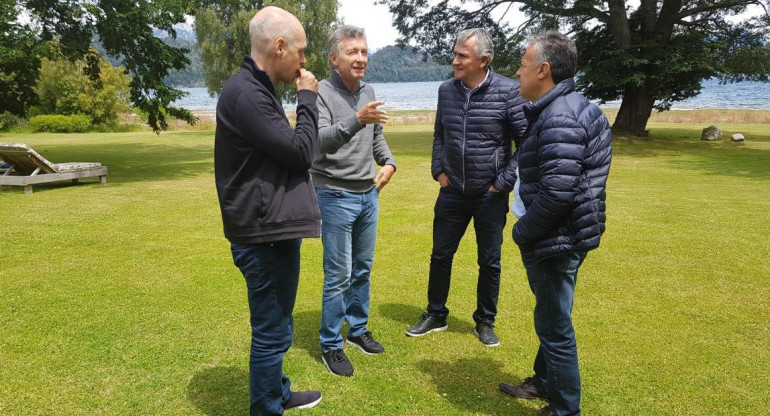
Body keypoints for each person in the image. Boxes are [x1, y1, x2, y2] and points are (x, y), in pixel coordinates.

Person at [214, 6, 323, 415]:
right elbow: (300, 152)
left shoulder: (256, 89)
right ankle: (266, 407)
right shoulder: (247, 94)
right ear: (280, 46)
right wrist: (308, 97)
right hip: (263, 237)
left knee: (277, 326)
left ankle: (276, 392)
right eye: (301, 51)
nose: (304, 61)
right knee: (272, 332)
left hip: (268, 231)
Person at [497, 31, 612, 416]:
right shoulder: (564, 108)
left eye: (523, 65)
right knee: (553, 313)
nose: (517, 72)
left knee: (554, 326)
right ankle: (545, 382)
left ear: (543, 70)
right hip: (565, 235)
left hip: (554, 239)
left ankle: (565, 408)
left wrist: (521, 231)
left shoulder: (559, 116)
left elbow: (558, 194)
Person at [405, 28, 528, 346]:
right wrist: (438, 172)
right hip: (452, 191)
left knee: (489, 260)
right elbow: (440, 135)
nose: (455, 60)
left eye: (462, 55)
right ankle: (435, 314)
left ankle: (485, 321)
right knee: (440, 255)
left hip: (489, 195)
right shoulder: (446, 90)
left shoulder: (509, 92)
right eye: (455, 53)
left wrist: (501, 183)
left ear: (483, 60)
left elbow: (526, 143)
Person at [311, 25, 396, 377]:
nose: (361, 58)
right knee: (338, 276)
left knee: (363, 268)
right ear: (334, 59)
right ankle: (331, 344)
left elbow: (377, 140)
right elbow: (319, 141)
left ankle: (357, 330)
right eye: (352, 52)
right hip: (334, 194)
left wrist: (389, 162)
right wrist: (357, 119)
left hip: (367, 195)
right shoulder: (320, 93)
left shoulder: (369, 91)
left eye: (364, 51)